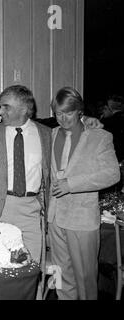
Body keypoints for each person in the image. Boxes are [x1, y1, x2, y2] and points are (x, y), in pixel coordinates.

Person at [47, 87, 120, 300]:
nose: (63, 118)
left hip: (82, 219)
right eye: (58, 113)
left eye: (68, 112)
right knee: (59, 271)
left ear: (79, 111)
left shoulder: (100, 137)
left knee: (86, 277)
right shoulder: (50, 134)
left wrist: (72, 184)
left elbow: (112, 174)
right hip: (54, 218)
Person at [0, 85, 52, 263]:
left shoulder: (46, 134)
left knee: (32, 266)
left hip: (32, 210)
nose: (0, 111)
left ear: (24, 109)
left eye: (6, 107)